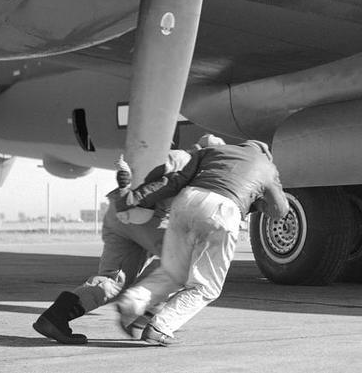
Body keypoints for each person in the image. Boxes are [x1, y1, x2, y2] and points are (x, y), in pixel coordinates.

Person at [32, 135, 224, 344]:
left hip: (119, 214)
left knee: (113, 280)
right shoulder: (186, 159)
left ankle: (55, 318)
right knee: (187, 268)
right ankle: (142, 318)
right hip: (147, 218)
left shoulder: (185, 160)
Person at [113, 140, 289, 346]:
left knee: (173, 273)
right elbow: (280, 210)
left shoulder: (214, 151)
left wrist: (133, 198)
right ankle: (161, 326)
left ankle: (132, 303)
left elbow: (174, 181)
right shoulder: (267, 167)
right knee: (206, 287)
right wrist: (256, 203)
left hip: (186, 202)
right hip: (222, 211)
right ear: (265, 153)